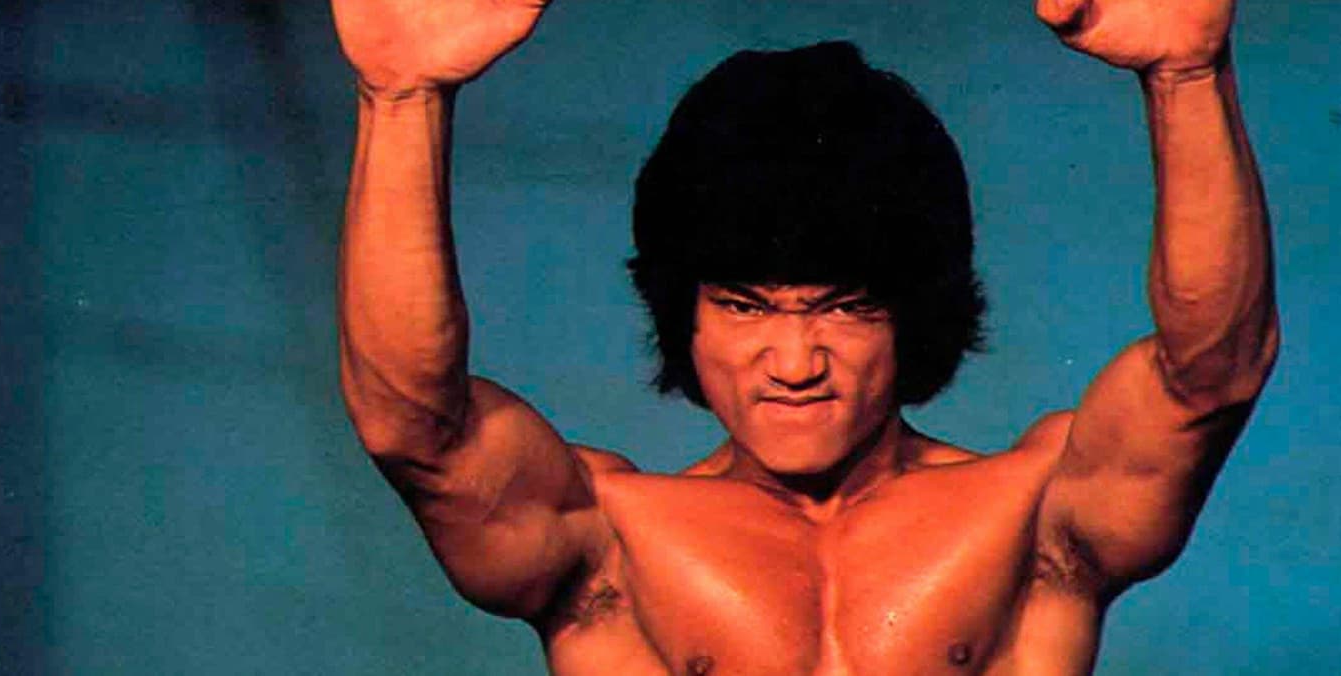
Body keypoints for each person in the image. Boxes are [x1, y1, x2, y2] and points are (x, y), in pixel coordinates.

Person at [331, 0, 1277, 673]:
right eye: (745, 307)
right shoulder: (611, 541)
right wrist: (401, 99)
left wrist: (1188, 77)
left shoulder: (1032, 517)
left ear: (914, 313)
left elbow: (1209, 376)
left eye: (844, 307)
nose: (794, 365)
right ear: (684, 315)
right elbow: (415, 428)